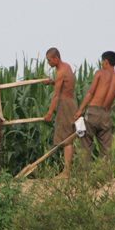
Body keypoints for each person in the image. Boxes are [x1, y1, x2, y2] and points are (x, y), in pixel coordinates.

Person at [74, 51, 115, 161]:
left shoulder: (99, 73)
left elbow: (91, 92)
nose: (101, 64)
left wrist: (80, 110)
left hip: (93, 111)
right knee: (106, 147)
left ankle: (84, 174)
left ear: (106, 62)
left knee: (86, 144)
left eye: (102, 61)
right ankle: (107, 174)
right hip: (105, 114)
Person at [43, 48, 77, 178]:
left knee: (66, 138)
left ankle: (66, 172)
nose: (48, 63)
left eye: (49, 60)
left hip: (65, 104)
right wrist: (52, 82)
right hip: (71, 103)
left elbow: (56, 95)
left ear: (56, 59)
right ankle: (67, 170)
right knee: (68, 136)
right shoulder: (67, 67)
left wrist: (49, 112)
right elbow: (64, 86)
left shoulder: (60, 72)